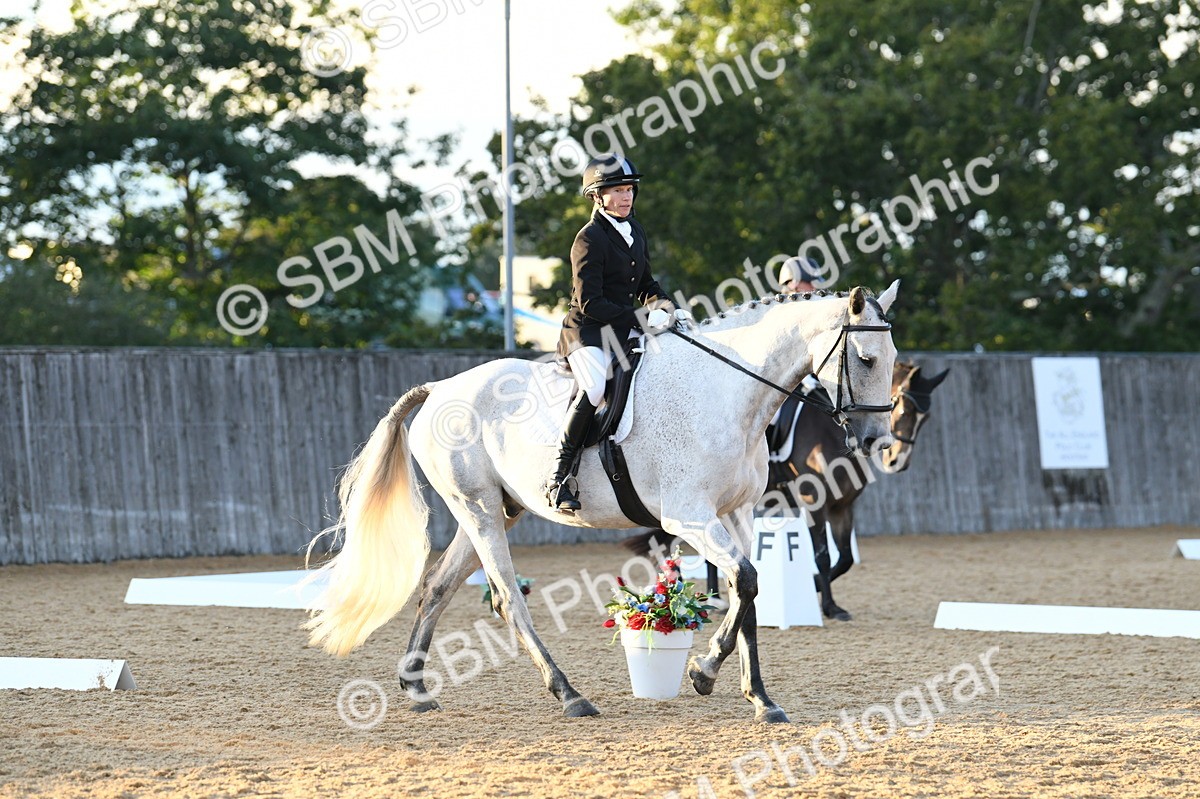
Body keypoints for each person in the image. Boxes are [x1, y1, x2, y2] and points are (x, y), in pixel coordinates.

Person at [546, 153, 677, 512]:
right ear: (597, 196)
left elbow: (646, 283)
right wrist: (640, 319)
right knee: (594, 386)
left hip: (621, 330)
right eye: (616, 190)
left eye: (629, 189)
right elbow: (591, 303)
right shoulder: (588, 239)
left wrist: (665, 307)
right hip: (587, 332)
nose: (626, 197)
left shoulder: (634, 230)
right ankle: (559, 476)